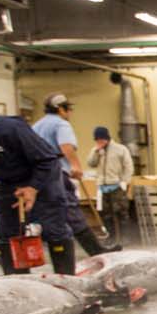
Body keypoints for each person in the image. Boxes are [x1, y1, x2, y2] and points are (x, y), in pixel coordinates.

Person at [0, 109, 76, 274]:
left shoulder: (9, 129)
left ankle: (66, 280)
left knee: (53, 229)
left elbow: (47, 160)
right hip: (8, 182)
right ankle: (16, 284)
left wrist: (33, 188)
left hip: (42, 176)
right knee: (7, 232)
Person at [31, 93, 117, 254]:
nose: (69, 113)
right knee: (71, 210)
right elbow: (66, 146)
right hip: (56, 174)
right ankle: (96, 251)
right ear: (61, 109)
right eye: (68, 109)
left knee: (51, 214)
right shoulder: (61, 124)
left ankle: (57, 252)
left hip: (37, 178)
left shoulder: (37, 126)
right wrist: (76, 166)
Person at [87, 126, 134, 245]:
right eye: (97, 140)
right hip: (102, 186)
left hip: (116, 186)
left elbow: (128, 167)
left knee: (121, 213)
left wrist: (125, 181)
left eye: (101, 140)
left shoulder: (120, 149)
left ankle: (125, 238)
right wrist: (96, 152)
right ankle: (111, 237)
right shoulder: (97, 150)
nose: (99, 142)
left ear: (107, 138)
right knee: (106, 215)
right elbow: (91, 163)